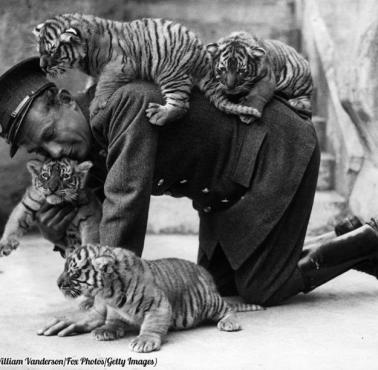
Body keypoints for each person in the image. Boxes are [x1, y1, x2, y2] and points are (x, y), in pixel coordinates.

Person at [0, 57, 378, 337]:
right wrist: (53, 232)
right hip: (224, 192)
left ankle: (367, 239)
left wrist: (105, 306)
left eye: (50, 134)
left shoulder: (122, 102)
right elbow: (91, 220)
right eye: (41, 149)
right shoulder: (85, 147)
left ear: (66, 101)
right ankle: (342, 234)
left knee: (264, 288)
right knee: (216, 290)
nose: (54, 152)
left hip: (275, 151)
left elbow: (123, 203)